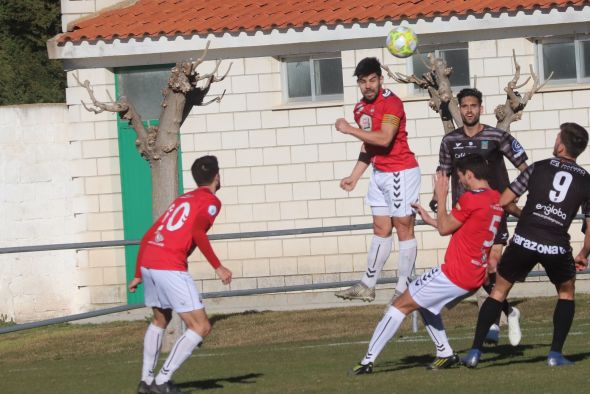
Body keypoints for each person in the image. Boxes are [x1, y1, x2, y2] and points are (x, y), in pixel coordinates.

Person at [350, 154, 504, 374]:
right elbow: (458, 227)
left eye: (460, 177)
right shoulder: (495, 198)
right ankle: (445, 353)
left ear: (470, 174)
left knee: (399, 305)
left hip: (454, 273)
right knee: (424, 303)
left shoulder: (471, 199)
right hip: (474, 275)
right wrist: (430, 218)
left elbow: (444, 229)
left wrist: (441, 197)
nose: (459, 181)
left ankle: (367, 361)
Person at [463, 123, 590, 368]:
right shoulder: (586, 181)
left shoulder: (538, 167)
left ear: (561, 144)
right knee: (566, 293)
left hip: (525, 239)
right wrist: (584, 252)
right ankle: (555, 355)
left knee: (499, 291)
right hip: (556, 244)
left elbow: (504, 201)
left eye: (556, 137)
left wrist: (525, 215)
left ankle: (475, 352)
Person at [128, 155, 233, 394]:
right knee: (201, 326)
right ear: (217, 176)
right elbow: (197, 230)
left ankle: (145, 381)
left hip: (150, 262)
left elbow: (148, 235)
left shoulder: (182, 199)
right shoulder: (211, 201)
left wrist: (137, 273)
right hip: (169, 265)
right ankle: (162, 380)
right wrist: (218, 266)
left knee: (160, 319)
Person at [433, 87, 527, 346]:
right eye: (464, 106)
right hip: (465, 216)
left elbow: (526, 169)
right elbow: (443, 174)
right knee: (479, 274)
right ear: (459, 109)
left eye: (474, 105)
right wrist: (435, 199)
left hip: (493, 212)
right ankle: (508, 311)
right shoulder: (449, 141)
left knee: (492, 265)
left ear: (481, 108)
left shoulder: (498, 136)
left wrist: (510, 195)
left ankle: (495, 323)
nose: (469, 110)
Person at [334, 57, 420, 302]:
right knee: (380, 228)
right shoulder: (360, 109)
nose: (368, 86)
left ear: (381, 80)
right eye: (363, 82)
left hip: (401, 172)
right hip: (379, 173)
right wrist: (354, 176)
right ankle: (367, 284)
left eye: (372, 80)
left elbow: (384, 138)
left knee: (403, 227)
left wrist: (349, 129)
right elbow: (370, 145)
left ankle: (404, 288)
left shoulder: (392, 102)